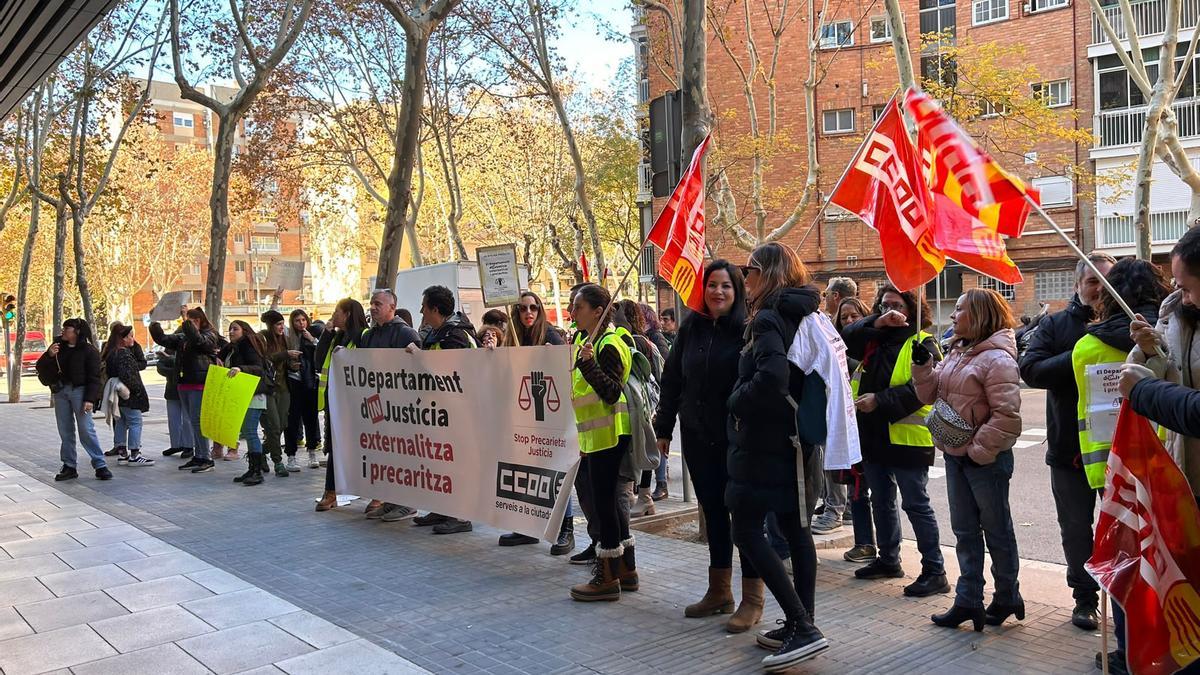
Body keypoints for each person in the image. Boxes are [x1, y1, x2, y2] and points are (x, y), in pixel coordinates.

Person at [724, 243, 827, 670]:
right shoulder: (806, 313)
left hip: (765, 446)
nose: (743, 280)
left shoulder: (768, 317)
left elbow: (771, 377)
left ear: (765, 274)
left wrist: (736, 400)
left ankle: (803, 627)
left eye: (748, 271)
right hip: (794, 443)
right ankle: (801, 623)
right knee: (796, 531)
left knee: (745, 531)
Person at [654, 260, 758, 625]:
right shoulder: (691, 327)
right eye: (712, 285)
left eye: (726, 286)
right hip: (697, 438)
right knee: (713, 512)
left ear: (738, 291)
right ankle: (719, 592)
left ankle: (753, 599)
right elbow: (671, 380)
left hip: (738, 440)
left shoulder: (749, 330)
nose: (718, 292)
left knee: (743, 518)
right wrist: (663, 427)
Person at [913, 288, 1022, 632]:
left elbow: (1008, 416)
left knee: (996, 531)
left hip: (984, 461)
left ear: (980, 316)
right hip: (957, 457)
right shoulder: (958, 351)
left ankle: (1007, 595)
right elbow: (930, 394)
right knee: (964, 531)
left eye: (961, 310)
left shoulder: (998, 359)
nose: (954, 315)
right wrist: (923, 368)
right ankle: (968, 600)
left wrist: (978, 451)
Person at [1018, 251, 1116, 631]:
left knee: (1122, 529)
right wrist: (1079, 357)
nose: (1100, 289)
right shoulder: (1057, 325)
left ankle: (1124, 602)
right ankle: (1084, 599)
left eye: (1107, 282)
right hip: (1069, 451)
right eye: (1093, 281)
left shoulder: (1127, 322)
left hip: (1117, 451)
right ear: (1078, 286)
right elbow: (1030, 369)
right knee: (1076, 530)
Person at [841, 285, 948, 598]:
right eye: (883, 304)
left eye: (896, 305)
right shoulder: (875, 337)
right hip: (874, 436)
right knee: (882, 500)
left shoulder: (923, 342)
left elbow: (925, 390)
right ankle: (888, 560)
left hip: (907, 438)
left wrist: (881, 400)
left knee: (916, 504)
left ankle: (935, 570)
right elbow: (846, 335)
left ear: (911, 309)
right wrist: (875, 321)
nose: (889, 310)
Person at [567, 283, 639, 602]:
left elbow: (611, 392)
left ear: (598, 311)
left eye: (578, 307)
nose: (572, 312)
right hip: (596, 436)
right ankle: (626, 569)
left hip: (610, 435)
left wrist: (587, 363)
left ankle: (607, 577)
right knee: (606, 503)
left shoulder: (609, 343)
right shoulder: (587, 340)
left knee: (605, 505)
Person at [498, 291, 575, 553]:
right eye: (522, 308)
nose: (528, 312)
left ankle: (566, 530)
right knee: (525, 471)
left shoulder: (551, 336)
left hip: (549, 418)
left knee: (557, 473)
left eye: (533, 307)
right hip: (522, 416)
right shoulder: (513, 339)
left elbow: (567, 370)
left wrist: (555, 356)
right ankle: (527, 527)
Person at [406, 285, 478, 534]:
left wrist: (418, 357)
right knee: (441, 463)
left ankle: (460, 516)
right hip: (439, 414)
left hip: (458, 414)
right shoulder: (439, 333)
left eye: (424, 307)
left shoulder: (455, 335)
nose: (421, 311)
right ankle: (442, 508)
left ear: (435, 309)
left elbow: (449, 376)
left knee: (456, 465)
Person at [357, 289, 422, 521]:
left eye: (378, 303)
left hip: (400, 408)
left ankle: (408, 503)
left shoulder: (406, 333)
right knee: (384, 454)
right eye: (371, 303)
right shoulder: (368, 335)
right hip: (377, 405)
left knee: (403, 456)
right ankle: (389, 499)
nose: (372, 307)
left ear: (392, 307)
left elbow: (420, 368)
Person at [810, 277, 859, 535]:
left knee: (837, 458)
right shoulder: (828, 325)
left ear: (836, 296)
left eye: (826, 293)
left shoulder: (848, 336)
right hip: (835, 405)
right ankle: (838, 505)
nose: (824, 297)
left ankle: (835, 509)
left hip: (846, 408)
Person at [37, 318, 112, 482]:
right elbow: (40, 366)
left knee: (86, 429)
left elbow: (94, 377)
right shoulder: (57, 347)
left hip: (80, 391)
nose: (63, 331)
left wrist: (90, 399)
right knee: (65, 430)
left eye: (67, 328)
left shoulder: (88, 351)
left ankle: (100, 464)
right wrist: (49, 355)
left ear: (77, 332)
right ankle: (69, 465)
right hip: (60, 391)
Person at [150, 308, 221, 474]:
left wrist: (186, 321)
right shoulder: (183, 337)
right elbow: (163, 339)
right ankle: (199, 455)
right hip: (184, 382)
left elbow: (199, 341)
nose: (191, 323)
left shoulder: (209, 334)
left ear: (201, 320)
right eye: (189, 320)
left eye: (194, 320)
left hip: (199, 383)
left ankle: (206, 458)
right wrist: (154, 322)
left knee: (197, 421)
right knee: (191, 420)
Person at [314, 299, 370, 510]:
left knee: (364, 448)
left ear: (347, 314)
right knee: (336, 446)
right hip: (336, 402)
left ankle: (377, 495)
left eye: (336, 312)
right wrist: (326, 334)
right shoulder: (337, 336)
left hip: (358, 404)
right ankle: (331, 493)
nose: (333, 315)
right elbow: (319, 361)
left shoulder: (364, 336)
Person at [835, 297, 876, 564]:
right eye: (844, 318)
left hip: (874, 432)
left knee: (876, 494)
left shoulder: (871, 350)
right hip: (852, 432)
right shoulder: (839, 350)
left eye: (854, 316)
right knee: (857, 491)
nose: (850, 321)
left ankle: (880, 547)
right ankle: (865, 544)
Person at [615, 299, 663, 518]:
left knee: (641, 449)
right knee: (639, 448)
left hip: (643, 405)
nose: (614, 317)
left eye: (618, 312)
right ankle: (641, 496)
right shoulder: (638, 339)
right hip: (643, 405)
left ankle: (644, 497)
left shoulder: (635, 341)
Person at [223, 320, 272, 485]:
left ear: (244, 331)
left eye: (235, 329)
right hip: (244, 394)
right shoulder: (234, 347)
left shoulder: (248, 345)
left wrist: (241, 369)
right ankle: (252, 469)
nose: (231, 332)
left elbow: (258, 368)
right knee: (247, 431)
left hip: (254, 394)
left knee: (250, 431)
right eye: (230, 329)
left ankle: (257, 471)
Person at [100, 323, 152, 467]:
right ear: (122, 338)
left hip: (116, 392)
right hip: (127, 394)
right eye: (130, 336)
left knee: (121, 421)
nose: (133, 339)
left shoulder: (111, 352)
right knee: (135, 421)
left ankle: (122, 452)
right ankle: (135, 453)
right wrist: (136, 390)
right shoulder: (124, 354)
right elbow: (129, 376)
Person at [285, 309, 322, 470]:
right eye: (297, 320)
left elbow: (322, 354)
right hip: (293, 382)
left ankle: (312, 452)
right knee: (292, 420)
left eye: (303, 320)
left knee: (311, 419)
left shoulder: (313, 335)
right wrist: (289, 363)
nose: (301, 323)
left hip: (310, 382)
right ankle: (291, 456)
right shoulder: (287, 338)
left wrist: (312, 340)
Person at [259, 311, 293, 476]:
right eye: (278, 324)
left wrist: (293, 364)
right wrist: (285, 354)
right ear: (271, 326)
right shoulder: (262, 337)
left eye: (282, 324)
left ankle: (259, 451)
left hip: (284, 387)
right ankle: (278, 462)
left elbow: (285, 363)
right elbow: (266, 359)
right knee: (273, 426)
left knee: (282, 425)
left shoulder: (284, 339)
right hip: (268, 388)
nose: (282, 327)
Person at [157, 346, 194, 459]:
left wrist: (170, 360)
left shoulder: (192, 347)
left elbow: (188, 365)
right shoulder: (170, 347)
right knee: (173, 419)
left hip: (187, 387)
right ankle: (176, 444)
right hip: (172, 389)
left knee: (187, 420)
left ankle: (189, 446)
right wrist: (176, 371)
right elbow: (160, 367)